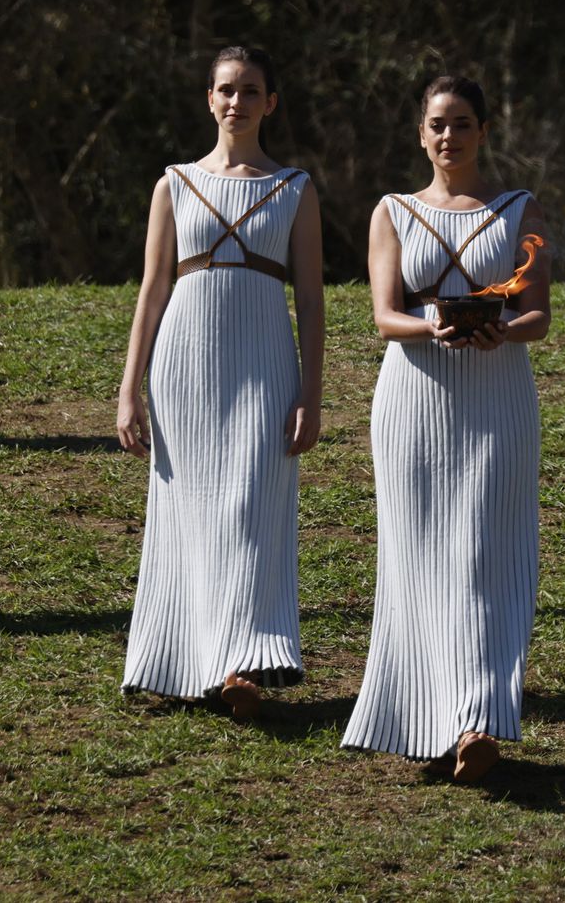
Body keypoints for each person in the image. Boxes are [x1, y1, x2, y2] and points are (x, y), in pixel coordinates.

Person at [341, 75, 550, 784]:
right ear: (420, 133)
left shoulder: (518, 209)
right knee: (420, 556)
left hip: (498, 400)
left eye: (462, 123)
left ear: (484, 130)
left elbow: (538, 313)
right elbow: (383, 316)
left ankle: (479, 718)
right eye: (437, 124)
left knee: (492, 555)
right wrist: (434, 325)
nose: (449, 136)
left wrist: (502, 330)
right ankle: (429, 716)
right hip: (415, 401)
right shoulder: (392, 212)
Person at [117, 46, 324, 717]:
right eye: (226, 89)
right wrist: (129, 388)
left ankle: (242, 662)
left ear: (271, 102)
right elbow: (152, 291)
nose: (237, 101)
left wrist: (313, 394)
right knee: (189, 512)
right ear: (209, 99)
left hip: (264, 362)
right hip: (184, 365)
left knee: (250, 509)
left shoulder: (294, 188)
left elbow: (314, 301)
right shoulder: (173, 183)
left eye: (251, 90)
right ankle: (184, 660)